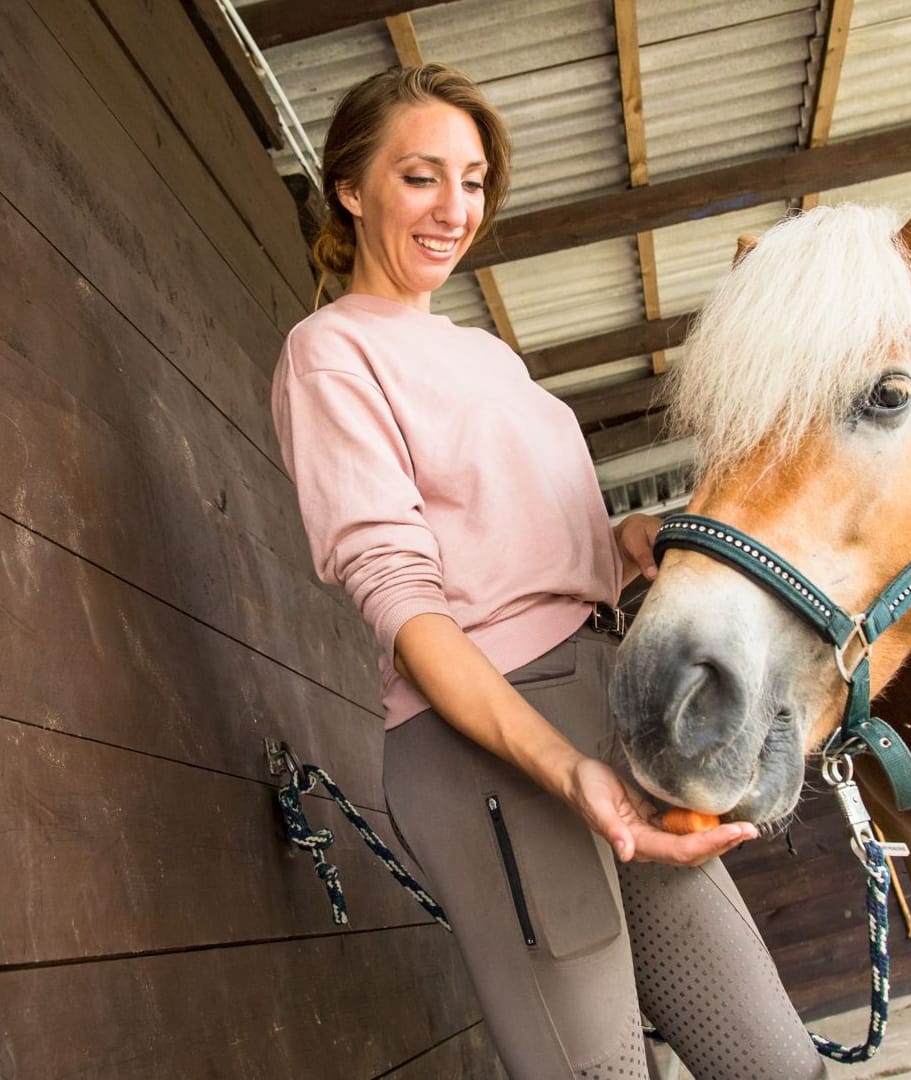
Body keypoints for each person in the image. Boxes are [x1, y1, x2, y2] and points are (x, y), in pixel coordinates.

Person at [271, 63, 824, 1080]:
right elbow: (404, 600)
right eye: (422, 177)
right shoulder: (331, 353)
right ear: (351, 189)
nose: (456, 210)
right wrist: (565, 768)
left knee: (775, 1063)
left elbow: (521, 533)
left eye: (473, 180)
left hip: (608, 702)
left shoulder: (485, 356)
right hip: (490, 740)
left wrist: (629, 540)